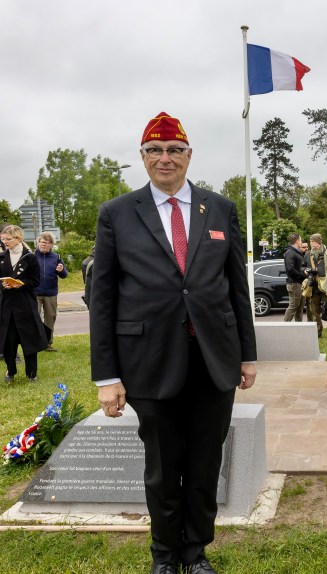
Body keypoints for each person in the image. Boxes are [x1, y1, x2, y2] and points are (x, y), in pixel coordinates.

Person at [89, 112, 257, 574]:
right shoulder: (117, 214)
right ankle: (164, 555)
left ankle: (195, 552)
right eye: (155, 150)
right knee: (162, 469)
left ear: (189, 155)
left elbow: (236, 288)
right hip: (149, 361)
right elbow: (102, 300)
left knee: (204, 465)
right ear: (143, 156)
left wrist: (247, 354)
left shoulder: (219, 209)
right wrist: (107, 376)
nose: (166, 158)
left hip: (213, 361)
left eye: (175, 150)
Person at [0, 225, 48, 382]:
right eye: (2, 239)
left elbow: (35, 281)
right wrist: (3, 285)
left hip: (25, 305)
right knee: (9, 341)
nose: (4, 242)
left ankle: (32, 373)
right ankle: (10, 371)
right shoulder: (1, 257)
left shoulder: (30, 257)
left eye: (8, 239)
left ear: (18, 238)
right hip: (7, 306)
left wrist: (20, 284)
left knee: (29, 340)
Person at [34, 232, 68, 351]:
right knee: (35, 318)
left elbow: (64, 275)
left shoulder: (56, 257)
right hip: (34, 293)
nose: (44, 244)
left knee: (50, 318)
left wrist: (61, 270)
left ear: (51, 245)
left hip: (51, 293)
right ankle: (36, 343)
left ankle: (48, 343)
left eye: (47, 243)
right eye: (42, 242)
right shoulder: (31, 256)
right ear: (38, 243)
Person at [303, 234, 325, 337]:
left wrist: (318, 271)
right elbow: (302, 266)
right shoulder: (308, 254)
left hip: (325, 286)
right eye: (311, 242)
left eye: (314, 242)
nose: (311, 244)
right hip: (313, 286)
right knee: (315, 311)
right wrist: (305, 271)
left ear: (319, 242)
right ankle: (318, 332)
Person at [283, 233, 305, 322]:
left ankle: (298, 327)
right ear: (297, 241)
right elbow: (290, 269)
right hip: (294, 283)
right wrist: (301, 275)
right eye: (301, 240)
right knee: (293, 306)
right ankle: (284, 327)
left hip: (299, 283)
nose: (301, 242)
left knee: (299, 308)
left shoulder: (296, 252)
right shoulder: (290, 252)